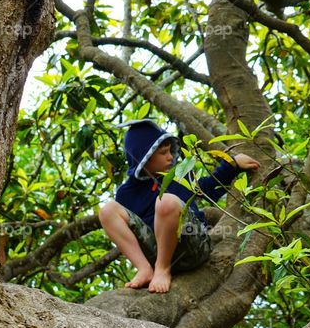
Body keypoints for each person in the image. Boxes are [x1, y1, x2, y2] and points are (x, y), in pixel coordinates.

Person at [99, 119, 260, 292]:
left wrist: (233, 164)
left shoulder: (180, 174)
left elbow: (208, 189)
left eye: (170, 151)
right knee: (108, 210)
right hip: (155, 253)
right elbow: (131, 231)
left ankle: (163, 269)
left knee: (166, 200)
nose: (170, 157)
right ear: (144, 158)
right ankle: (145, 269)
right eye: (163, 153)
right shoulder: (126, 193)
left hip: (193, 248)